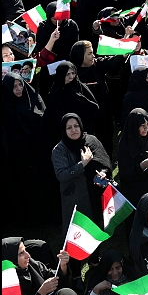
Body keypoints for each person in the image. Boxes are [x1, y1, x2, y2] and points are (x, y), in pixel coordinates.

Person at [51, 113, 111, 284]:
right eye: (69, 127)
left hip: (94, 196)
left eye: (76, 126)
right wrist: (83, 164)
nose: (73, 130)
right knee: (75, 235)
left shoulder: (91, 140)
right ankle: (76, 273)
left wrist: (103, 172)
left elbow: (105, 161)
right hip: (75, 201)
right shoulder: (59, 150)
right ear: (64, 130)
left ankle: (94, 261)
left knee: (95, 229)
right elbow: (62, 175)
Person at [1, 72, 52, 227]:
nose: (18, 89)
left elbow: (42, 118)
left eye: (20, 84)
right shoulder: (6, 107)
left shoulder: (32, 98)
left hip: (39, 149)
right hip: (21, 154)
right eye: (14, 86)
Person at [1, 237, 70, 295]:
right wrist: (41, 293)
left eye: (25, 250)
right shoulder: (7, 285)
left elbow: (52, 276)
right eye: (21, 253)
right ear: (10, 258)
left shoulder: (30, 264)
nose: (28, 255)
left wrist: (63, 266)